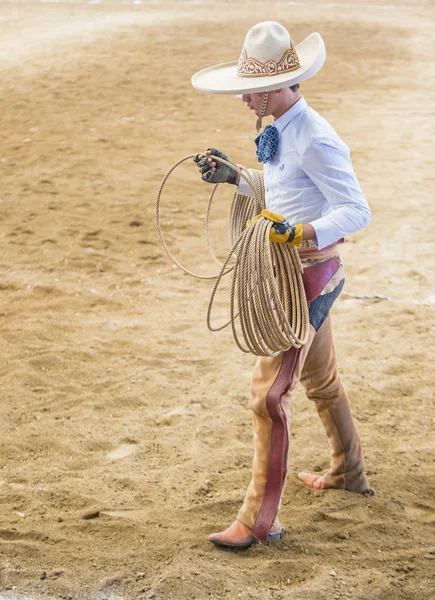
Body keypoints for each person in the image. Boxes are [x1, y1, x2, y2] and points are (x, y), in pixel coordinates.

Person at [191, 21, 374, 549]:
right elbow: (285, 188)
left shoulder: (316, 137)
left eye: (249, 90)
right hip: (298, 271)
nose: (244, 98)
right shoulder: (285, 129)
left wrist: (301, 232)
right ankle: (348, 469)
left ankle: (256, 519)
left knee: (269, 395)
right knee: (321, 381)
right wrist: (237, 177)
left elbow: (355, 210)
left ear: (274, 89)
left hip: (308, 274)